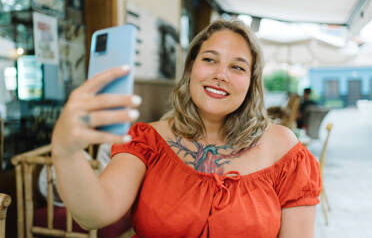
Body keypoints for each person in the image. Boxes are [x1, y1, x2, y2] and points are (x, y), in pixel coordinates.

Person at [51, 20, 321, 238]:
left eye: (237, 67)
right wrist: (65, 151)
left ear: (251, 82)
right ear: (191, 68)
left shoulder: (283, 150)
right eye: (210, 60)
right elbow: (94, 214)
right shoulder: (147, 140)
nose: (221, 74)